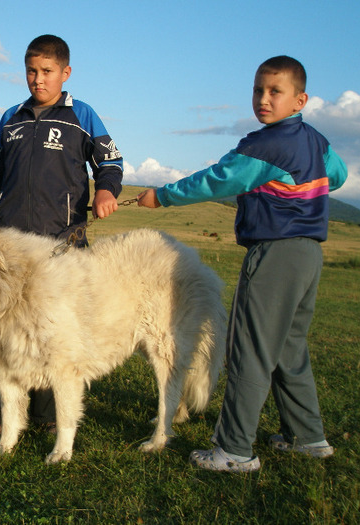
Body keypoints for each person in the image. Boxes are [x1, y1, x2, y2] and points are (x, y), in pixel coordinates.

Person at [136, 55, 347, 472]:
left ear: (300, 99)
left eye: (275, 92)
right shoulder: (316, 141)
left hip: (274, 253)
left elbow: (217, 179)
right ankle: (308, 437)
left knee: (248, 348)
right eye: (258, 90)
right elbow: (336, 175)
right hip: (308, 254)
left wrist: (161, 196)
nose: (263, 99)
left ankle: (233, 449)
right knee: (289, 348)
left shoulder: (263, 145)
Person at [0, 34, 124, 444]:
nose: (38, 79)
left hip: (59, 246)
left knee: (52, 336)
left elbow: (111, 160)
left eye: (47, 71)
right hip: (7, 251)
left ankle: (52, 418)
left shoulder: (81, 115)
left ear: (65, 73)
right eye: (31, 71)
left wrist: (106, 190)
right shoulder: (11, 118)